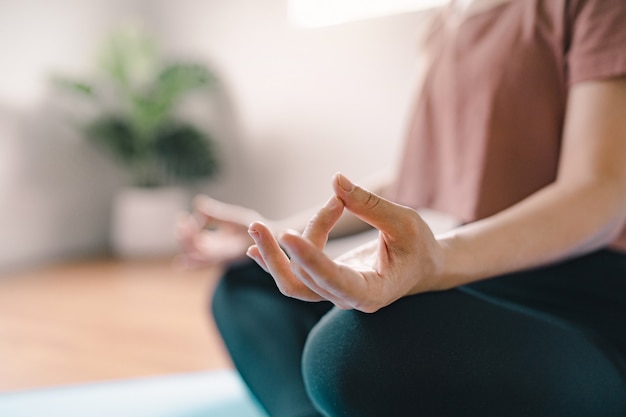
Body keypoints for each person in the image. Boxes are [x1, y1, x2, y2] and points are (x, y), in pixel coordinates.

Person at [177, 0, 626, 415]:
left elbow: (599, 192)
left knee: (350, 350)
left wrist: (439, 259)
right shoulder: (446, 19)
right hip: (484, 278)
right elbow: (419, 172)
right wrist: (280, 236)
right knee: (247, 285)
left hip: (586, 300)